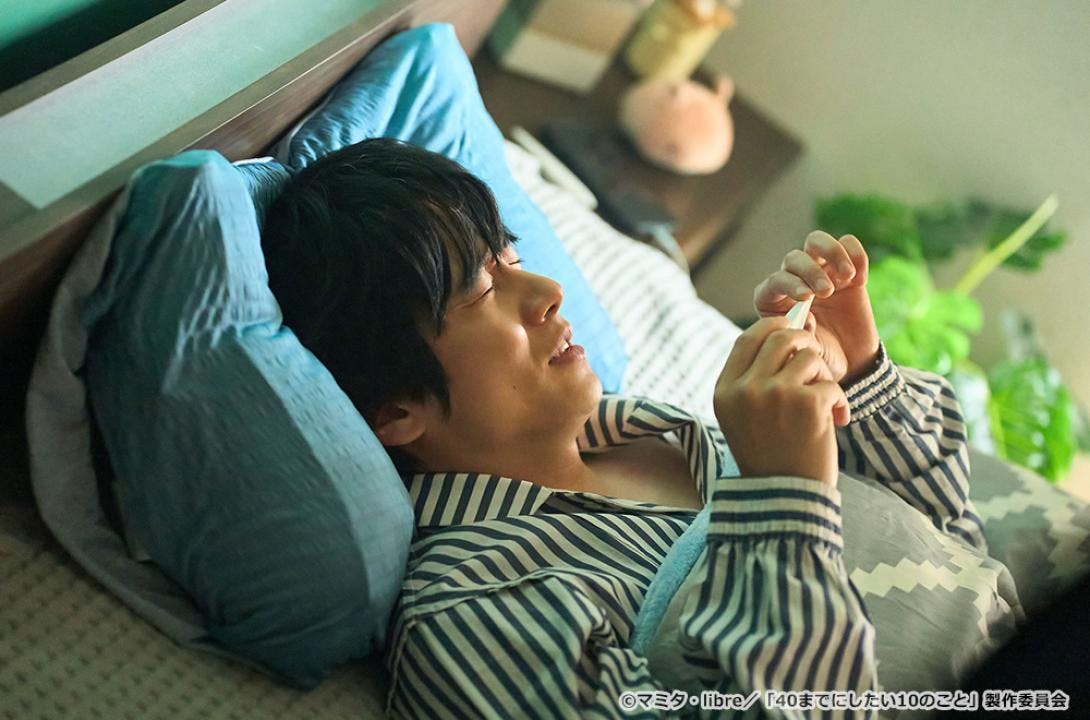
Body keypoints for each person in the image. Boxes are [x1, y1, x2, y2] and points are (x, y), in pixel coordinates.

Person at [262, 138, 986, 718]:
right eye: (480, 289)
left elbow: (955, 549)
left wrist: (856, 372)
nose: (549, 291)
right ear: (395, 412)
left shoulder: (657, 429)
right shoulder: (473, 613)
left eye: (512, 257)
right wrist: (786, 498)